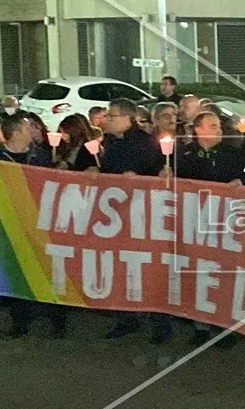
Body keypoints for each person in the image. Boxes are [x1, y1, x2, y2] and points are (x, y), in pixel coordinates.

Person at [95, 99, 171, 342]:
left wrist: (140, 177)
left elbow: (160, 175)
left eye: (112, 115)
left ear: (128, 118)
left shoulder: (145, 143)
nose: (107, 119)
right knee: (120, 267)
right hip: (116, 216)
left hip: (143, 215)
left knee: (149, 269)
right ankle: (126, 318)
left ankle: (159, 324)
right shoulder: (107, 142)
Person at [0, 114, 69, 338]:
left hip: (40, 223)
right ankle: (20, 320)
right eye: (27, 128)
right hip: (12, 223)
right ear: (14, 133)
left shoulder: (39, 155)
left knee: (47, 270)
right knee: (18, 272)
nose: (33, 131)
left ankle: (56, 319)